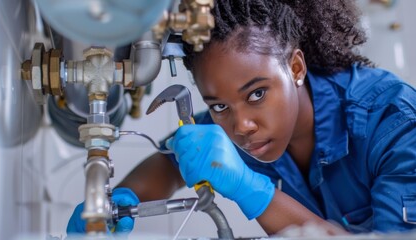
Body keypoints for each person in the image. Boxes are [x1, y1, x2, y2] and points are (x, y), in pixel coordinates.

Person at [67, 0, 416, 236]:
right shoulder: (247, 125)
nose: (241, 126)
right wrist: (117, 204)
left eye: (257, 94)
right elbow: (170, 161)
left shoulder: (393, 123)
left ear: (295, 67)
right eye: (219, 106)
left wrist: (254, 191)